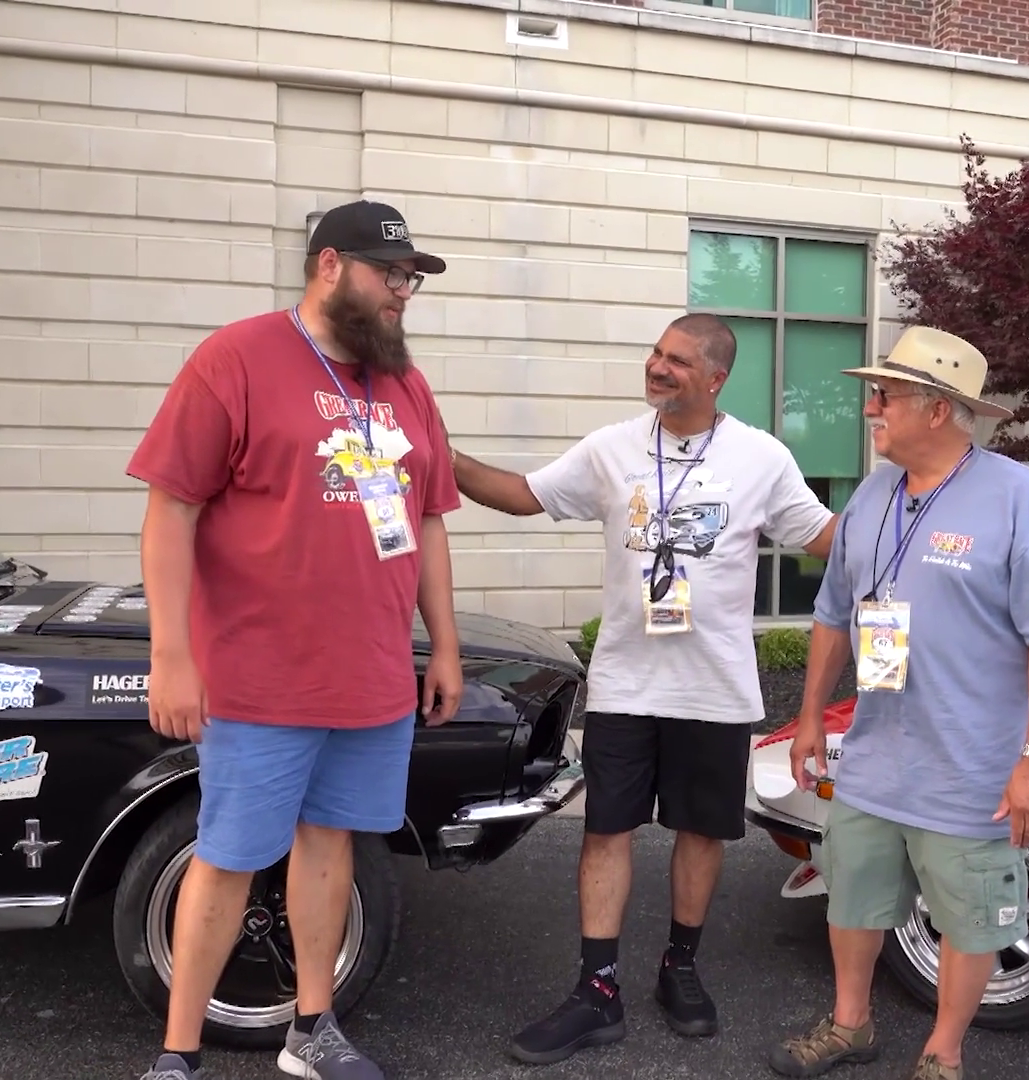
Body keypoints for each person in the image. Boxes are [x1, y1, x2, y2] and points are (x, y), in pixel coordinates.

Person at [125, 200, 465, 1080]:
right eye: (389, 273)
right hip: (259, 677)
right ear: (328, 266)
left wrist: (444, 646)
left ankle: (311, 1028)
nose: (403, 291)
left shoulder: (406, 386)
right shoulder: (235, 359)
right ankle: (177, 1053)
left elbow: (427, 520)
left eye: (412, 278)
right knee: (228, 857)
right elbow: (171, 510)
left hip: (373, 676)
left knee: (331, 845)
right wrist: (172, 655)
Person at [450, 312, 838, 1065]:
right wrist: (444, 456)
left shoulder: (761, 457)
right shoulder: (612, 448)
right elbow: (523, 494)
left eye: (678, 361)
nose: (658, 367)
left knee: (701, 832)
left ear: (716, 378)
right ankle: (596, 991)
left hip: (715, 688)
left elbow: (826, 536)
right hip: (626, 683)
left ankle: (679, 968)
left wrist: (916, 518)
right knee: (606, 831)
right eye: (657, 353)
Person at [769, 327, 1029, 1080]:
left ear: (939, 409)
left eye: (884, 396)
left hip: (971, 770)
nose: (871, 409)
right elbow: (833, 613)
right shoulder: (873, 493)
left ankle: (942, 1054)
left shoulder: (1018, 497)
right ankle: (851, 1025)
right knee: (852, 896)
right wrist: (813, 713)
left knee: (968, 918)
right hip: (875, 758)